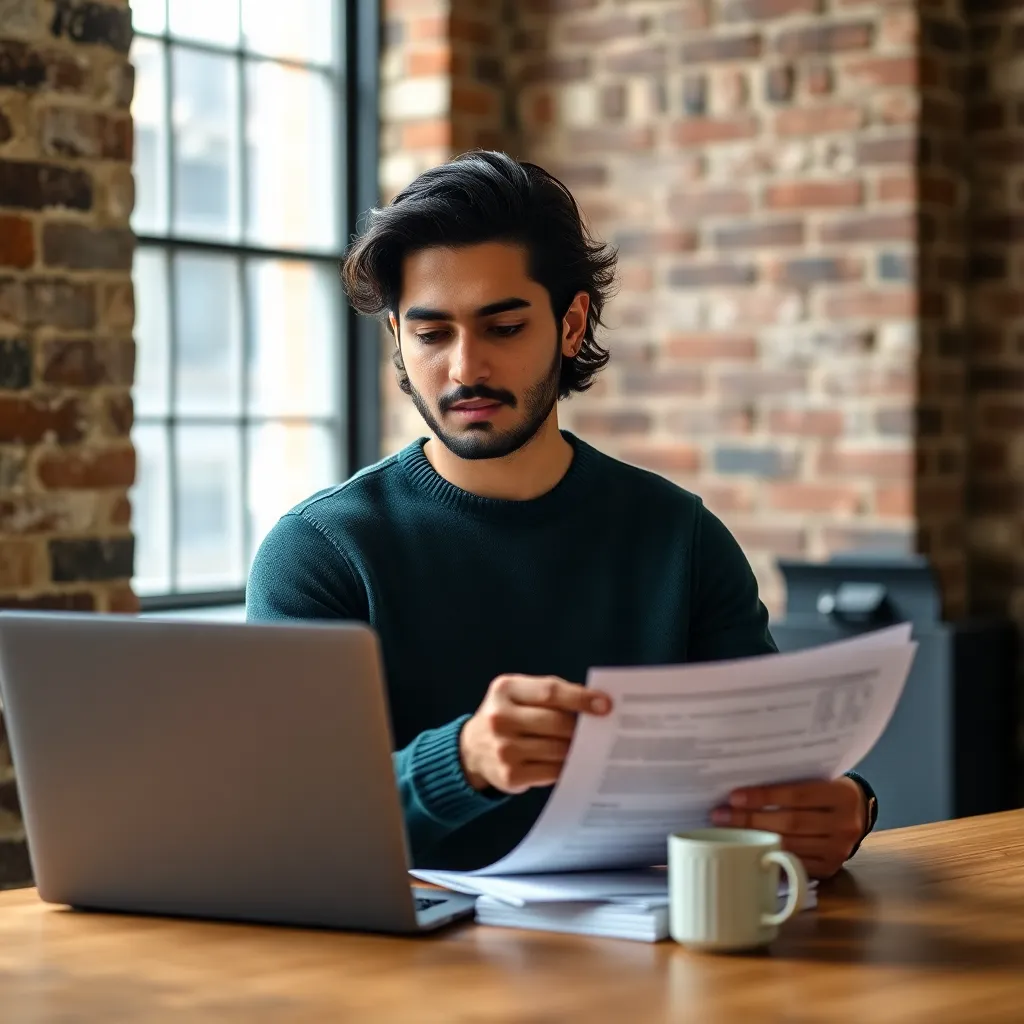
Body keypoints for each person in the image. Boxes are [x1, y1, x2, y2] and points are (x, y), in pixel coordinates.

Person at [246, 151, 877, 878]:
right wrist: (462, 764)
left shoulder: (681, 539)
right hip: (403, 967)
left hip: (653, 962)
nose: (465, 368)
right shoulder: (320, 551)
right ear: (396, 336)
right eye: (431, 334)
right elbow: (292, 820)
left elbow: (769, 769)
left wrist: (846, 807)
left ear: (571, 325)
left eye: (503, 327)